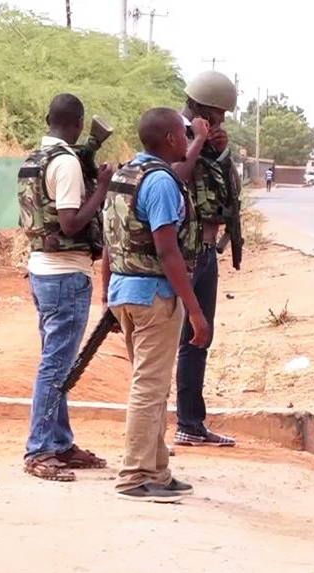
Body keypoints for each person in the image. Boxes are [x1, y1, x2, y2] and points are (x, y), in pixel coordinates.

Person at [102, 107, 209, 502]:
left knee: (154, 383)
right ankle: (134, 476)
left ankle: (157, 470)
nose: (186, 138)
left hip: (125, 293)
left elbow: (113, 242)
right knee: (149, 387)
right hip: (154, 297)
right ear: (169, 139)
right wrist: (195, 311)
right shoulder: (160, 182)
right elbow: (167, 251)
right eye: (183, 134)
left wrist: (106, 293)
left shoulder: (126, 174)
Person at [18, 93, 112, 482]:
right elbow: (72, 224)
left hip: (42, 269)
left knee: (57, 364)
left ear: (47, 119)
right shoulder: (66, 163)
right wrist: (103, 188)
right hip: (64, 274)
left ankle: (59, 441)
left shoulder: (32, 160)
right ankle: (40, 450)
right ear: (77, 125)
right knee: (56, 367)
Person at [172, 70, 239, 447]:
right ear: (201, 108)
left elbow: (227, 191)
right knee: (176, 339)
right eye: (219, 113)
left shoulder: (210, 143)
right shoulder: (173, 133)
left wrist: (221, 151)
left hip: (205, 251)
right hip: (181, 252)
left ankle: (191, 423)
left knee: (199, 337)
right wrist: (198, 141)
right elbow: (175, 175)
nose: (222, 121)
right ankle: (178, 423)